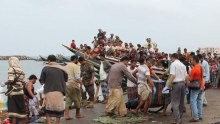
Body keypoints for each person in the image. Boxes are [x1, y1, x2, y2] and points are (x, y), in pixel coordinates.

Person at [40, 55, 68, 124]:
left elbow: (42, 81)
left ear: (49, 61)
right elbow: (66, 80)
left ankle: (49, 123)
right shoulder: (62, 69)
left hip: (49, 91)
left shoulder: (45, 69)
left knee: (47, 108)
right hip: (60, 91)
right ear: (56, 60)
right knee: (59, 109)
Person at [166, 53, 187, 124]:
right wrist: (186, 85)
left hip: (176, 84)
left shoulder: (173, 64)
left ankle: (178, 120)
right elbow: (186, 77)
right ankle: (179, 119)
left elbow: (173, 76)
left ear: (172, 57)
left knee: (175, 103)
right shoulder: (183, 65)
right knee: (181, 103)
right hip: (182, 84)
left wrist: (167, 85)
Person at [5, 57, 26, 124]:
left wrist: (5, 83)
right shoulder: (21, 71)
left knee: (13, 112)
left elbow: (11, 80)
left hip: (13, 92)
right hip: (20, 92)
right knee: (21, 111)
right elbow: (24, 82)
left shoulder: (11, 69)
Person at [64, 55, 84, 120]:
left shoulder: (66, 66)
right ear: (75, 59)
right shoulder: (75, 66)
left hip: (67, 85)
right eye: (77, 60)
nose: (78, 61)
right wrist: (82, 85)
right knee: (77, 99)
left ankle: (66, 115)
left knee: (68, 99)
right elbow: (77, 77)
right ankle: (78, 114)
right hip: (73, 85)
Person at [187, 56, 204, 122]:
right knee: (199, 101)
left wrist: (187, 77)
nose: (191, 61)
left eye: (191, 60)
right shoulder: (201, 67)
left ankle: (196, 117)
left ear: (194, 60)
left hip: (195, 87)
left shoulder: (194, 69)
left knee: (193, 101)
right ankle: (199, 115)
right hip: (201, 85)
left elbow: (190, 79)